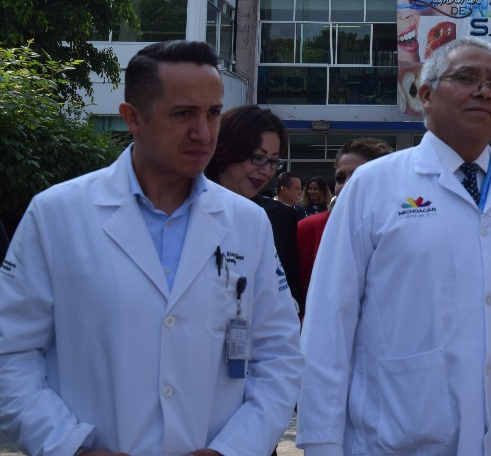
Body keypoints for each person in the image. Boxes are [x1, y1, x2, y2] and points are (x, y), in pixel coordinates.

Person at [0, 40, 301, 456]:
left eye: (213, 113)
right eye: (183, 114)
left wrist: (233, 449)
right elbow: (10, 354)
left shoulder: (247, 224)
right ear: (132, 119)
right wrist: (68, 446)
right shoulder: (57, 215)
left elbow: (279, 355)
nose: (203, 132)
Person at [297, 38, 491, 455]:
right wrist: (322, 441)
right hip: (394, 432)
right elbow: (330, 318)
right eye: (466, 78)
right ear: (425, 95)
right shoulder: (374, 185)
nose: (483, 91)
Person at [204, 104, 303, 312]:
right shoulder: (181, 206)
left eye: (274, 161)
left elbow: (289, 293)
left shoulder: (278, 217)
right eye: (258, 158)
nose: (266, 171)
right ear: (226, 149)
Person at [296, 136, 393, 305]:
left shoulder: (401, 231)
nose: (347, 184)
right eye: (340, 178)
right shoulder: (308, 229)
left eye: (358, 175)